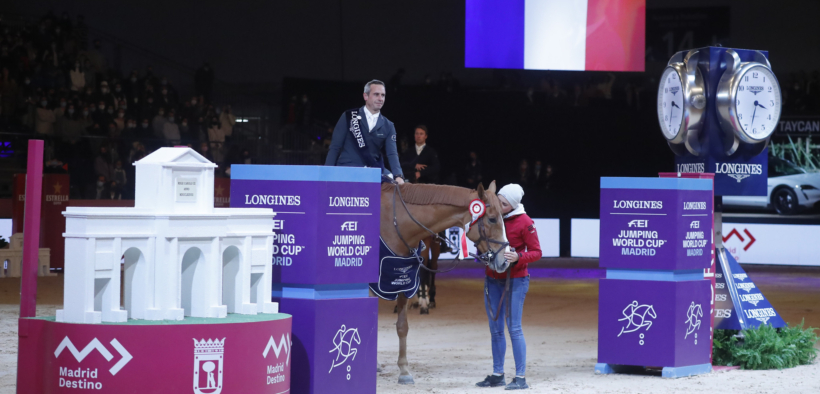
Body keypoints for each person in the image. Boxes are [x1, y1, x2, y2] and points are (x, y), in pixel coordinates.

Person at [476, 184, 541, 390]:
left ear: (512, 205)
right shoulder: (492, 216)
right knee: (495, 330)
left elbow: (537, 252)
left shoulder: (525, 222)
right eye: (499, 201)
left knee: (514, 328)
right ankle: (498, 374)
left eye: (504, 204)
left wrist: (518, 257)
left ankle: (520, 377)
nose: (500, 205)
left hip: (516, 280)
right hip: (492, 278)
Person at [324, 80, 404, 183]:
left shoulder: (388, 125)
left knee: (392, 181)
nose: (380, 98)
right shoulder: (348, 116)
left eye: (383, 95)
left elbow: (392, 153)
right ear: (365, 96)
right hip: (347, 170)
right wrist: (326, 173)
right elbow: (335, 147)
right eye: (376, 94)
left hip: (372, 171)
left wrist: (398, 175)